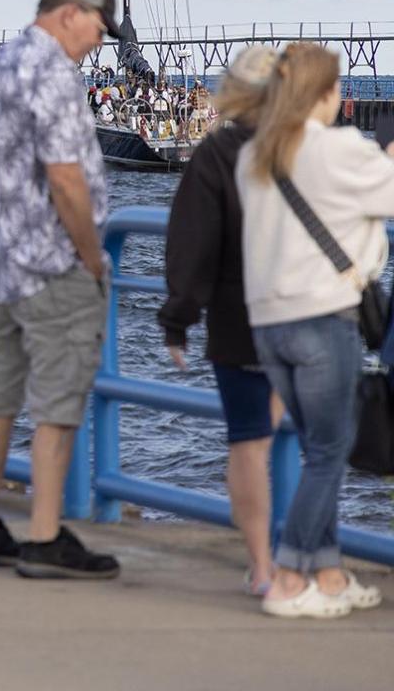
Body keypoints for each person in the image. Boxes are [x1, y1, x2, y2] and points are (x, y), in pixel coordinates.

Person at [0, 0, 119, 581]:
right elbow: (65, 177)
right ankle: (46, 536)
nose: (97, 43)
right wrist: (91, 255)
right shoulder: (52, 71)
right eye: (98, 29)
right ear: (72, 12)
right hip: (52, 263)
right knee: (58, 402)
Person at [236, 42, 394, 619]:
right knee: (330, 450)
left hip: (268, 324)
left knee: (315, 447)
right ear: (324, 94)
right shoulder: (337, 148)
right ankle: (286, 577)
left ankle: (326, 574)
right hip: (323, 320)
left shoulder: (254, 151)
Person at [158, 45, 284, 598]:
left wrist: (178, 318)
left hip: (239, 315)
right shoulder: (308, 150)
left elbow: (191, 242)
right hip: (305, 313)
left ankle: (262, 566)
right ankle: (309, 555)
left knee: (249, 444)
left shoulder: (216, 153)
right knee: (302, 437)